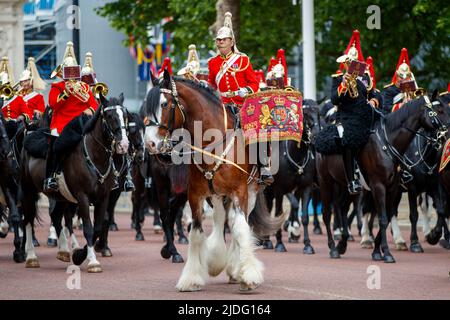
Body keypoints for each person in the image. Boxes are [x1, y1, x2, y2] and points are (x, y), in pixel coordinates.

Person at [207, 12, 273, 185]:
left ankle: (263, 166)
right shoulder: (213, 63)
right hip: (222, 105)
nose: (219, 42)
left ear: (231, 41)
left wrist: (245, 90)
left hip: (241, 104)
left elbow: (254, 83)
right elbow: (212, 84)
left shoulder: (242, 60)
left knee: (256, 128)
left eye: (223, 39)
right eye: (218, 40)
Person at [329, 30, 381, 194]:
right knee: (347, 140)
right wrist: (344, 84)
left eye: (353, 61)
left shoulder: (365, 76)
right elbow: (334, 99)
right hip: (347, 117)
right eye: (348, 61)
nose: (350, 63)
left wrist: (373, 101)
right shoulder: (338, 78)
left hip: (365, 114)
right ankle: (351, 180)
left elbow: (375, 93)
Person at [43, 42, 99, 192]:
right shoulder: (57, 87)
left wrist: (89, 110)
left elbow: (94, 105)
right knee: (54, 147)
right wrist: (66, 93)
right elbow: (54, 105)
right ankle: (51, 177)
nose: (72, 75)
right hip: (62, 123)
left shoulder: (84, 86)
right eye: (69, 71)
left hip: (80, 122)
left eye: (73, 71)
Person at [382, 48, 418, 113]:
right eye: (401, 77)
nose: (403, 79)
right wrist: (401, 105)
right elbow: (385, 107)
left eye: (406, 77)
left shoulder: (413, 89)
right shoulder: (389, 90)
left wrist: (412, 96)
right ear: (397, 76)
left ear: (409, 77)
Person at [0, 56, 31, 124]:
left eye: (7, 84)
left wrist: (22, 116)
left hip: (15, 123)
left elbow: (27, 113)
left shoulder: (18, 98)